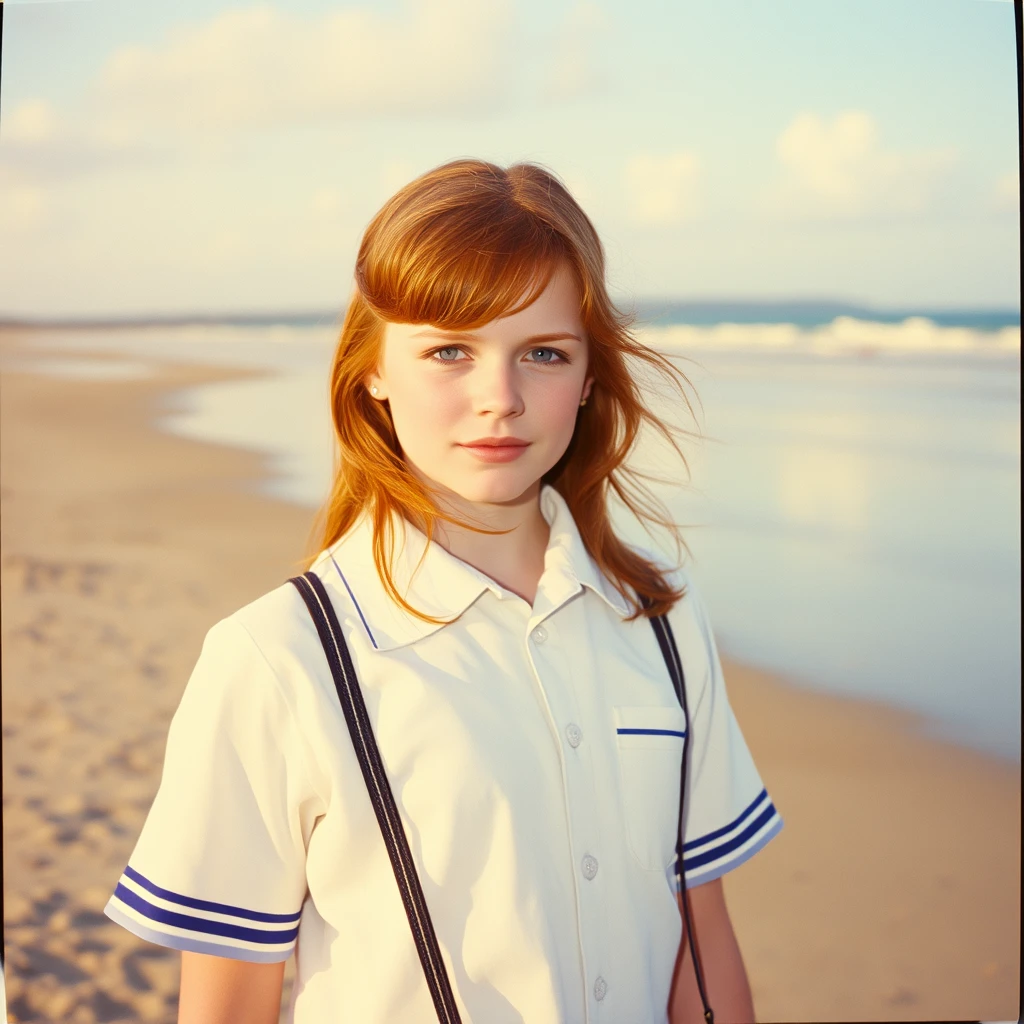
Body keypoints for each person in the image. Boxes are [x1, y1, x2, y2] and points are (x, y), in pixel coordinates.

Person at [104, 158, 783, 1023]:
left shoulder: (662, 622)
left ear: (588, 379)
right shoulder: (277, 658)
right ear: (373, 370)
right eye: (449, 351)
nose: (498, 399)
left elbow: (701, 943)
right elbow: (228, 1003)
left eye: (543, 352)